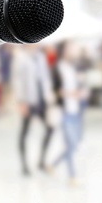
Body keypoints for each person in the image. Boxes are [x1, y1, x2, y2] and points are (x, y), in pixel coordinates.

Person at [12, 44, 55, 176]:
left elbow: (45, 78)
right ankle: (24, 164)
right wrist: (21, 102)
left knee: (50, 128)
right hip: (28, 101)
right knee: (24, 132)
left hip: (41, 99)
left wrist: (49, 96)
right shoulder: (21, 58)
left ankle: (41, 160)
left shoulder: (41, 57)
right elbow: (17, 81)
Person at [51, 41, 87, 186]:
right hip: (64, 110)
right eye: (70, 48)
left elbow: (81, 85)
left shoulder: (74, 67)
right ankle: (73, 176)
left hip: (76, 110)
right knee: (70, 144)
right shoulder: (57, 68)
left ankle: (53, 164)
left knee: (75, 144)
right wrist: (74, 94)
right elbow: (56, 90)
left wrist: (82, 91)